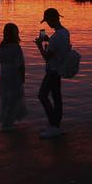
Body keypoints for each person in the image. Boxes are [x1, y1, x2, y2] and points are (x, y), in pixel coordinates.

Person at [35, 8, 70, 138]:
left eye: (47, 21)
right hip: (59, 69)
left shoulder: (56, 37)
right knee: (57, 97)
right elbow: (61, 49)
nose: (47, 24)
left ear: (51, 20)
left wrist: (40, 46)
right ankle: (56, 126)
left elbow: (47, 57)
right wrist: (49, 42)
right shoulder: (65, 32)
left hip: (52, 70)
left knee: (42, 95)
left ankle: (53, 125)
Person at [0, 23, 27, 132]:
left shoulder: (2, 45)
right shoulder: (16, 47)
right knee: (14, 97)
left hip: (4, 73)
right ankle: (9, 123)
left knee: (5, 97)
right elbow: (20, 65)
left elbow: (0, 60)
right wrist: (22, 78)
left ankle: (6, 121)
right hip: (14, 73)